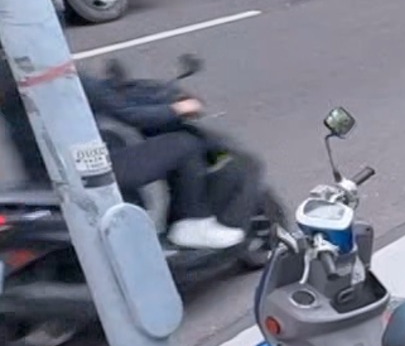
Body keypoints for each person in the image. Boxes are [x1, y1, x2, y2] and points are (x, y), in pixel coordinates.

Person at [0, 46, 245, 249]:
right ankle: (191, 223)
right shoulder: (54, 76)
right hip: (88, 173)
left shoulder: (11, 81)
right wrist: (178, 108)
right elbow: (130, 114)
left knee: (112, 137)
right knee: (184, 145)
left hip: (44, 174)